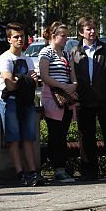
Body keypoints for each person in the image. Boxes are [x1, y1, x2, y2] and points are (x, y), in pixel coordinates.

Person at [72, 17, 106, 180]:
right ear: (81, 32)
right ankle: (89, 172)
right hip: (84, 101)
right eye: (88, 29)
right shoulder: (75, 52)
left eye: (94, 28)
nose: (92, 31)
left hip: (104, 100)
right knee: (86, 137)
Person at [0, 23, 41, 186]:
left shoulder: (27, 59)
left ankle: (33, 171)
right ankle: (20, 173)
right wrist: (25, 80)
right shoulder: (4, 59)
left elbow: (34, 84)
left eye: (21, 36)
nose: (20, 39)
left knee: (28, 138)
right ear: (9, 39)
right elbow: (10, 85)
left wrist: (20, 80)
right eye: (16, 36)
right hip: (10, 102)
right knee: (14, 139)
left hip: (26, 101)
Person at [39, 22, 78, 184]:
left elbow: (73, 74)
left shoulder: (67, 54)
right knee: (55, 134)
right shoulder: (45, 52)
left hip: (66, 99)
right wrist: (62, 86)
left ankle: (62, 167)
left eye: (66, 35)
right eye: (63, 35)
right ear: (54, 37)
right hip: (53, 98)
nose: (65, 38)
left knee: (63, 133)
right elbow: (44, 75)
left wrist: (73, 85)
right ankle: (57, 168)